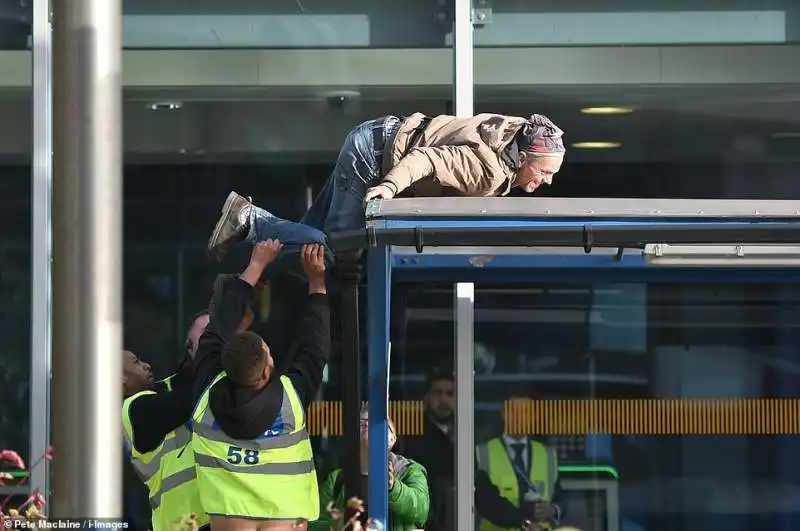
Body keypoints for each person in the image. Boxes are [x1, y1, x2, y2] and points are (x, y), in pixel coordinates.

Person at [205, 113, 566, 264]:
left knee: (307, 237)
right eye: (545, 170)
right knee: (336, 252)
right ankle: (249, 221)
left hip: (373, 139)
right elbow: (427, 159)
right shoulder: (485, 168)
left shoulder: (515, 134)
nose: (547, 180)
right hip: (373, 158)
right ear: (523, 159)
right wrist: (390, 187)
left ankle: (259, 256)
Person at [191, 241, 330, 531]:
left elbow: (216, 329)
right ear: (268, 371)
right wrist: (315, 280)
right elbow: (314, 347)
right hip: (285, 518)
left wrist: (256, 268)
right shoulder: (290, 400)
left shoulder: (206, 393)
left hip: (229, 520)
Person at [403, 370, 552, 531]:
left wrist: (521, 521)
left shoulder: (463, 440)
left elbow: (482, 492)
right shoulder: (412, 441)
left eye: (450, 393)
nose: (444, 399)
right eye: (437, 393)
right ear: (426, 399)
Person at [122, 348, 209, 531]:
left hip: (196, 519)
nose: (147, 365)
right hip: (183, 523)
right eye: (137, 362)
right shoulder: (137, 409)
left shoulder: (155, 399)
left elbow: (179, 381)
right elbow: (185, 399)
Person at [310, 410, 430, 531]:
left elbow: (421, 512)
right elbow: (315, 525)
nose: (367, 425)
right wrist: (338, 525)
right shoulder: (337, 479)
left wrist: (394, 489)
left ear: (392, 439)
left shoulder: (408, 470)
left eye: (375, 423)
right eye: (361, 423)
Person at [476, 394, 563, 531]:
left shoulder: (548, 455)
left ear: (534, 417)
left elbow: (561, 500)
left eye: (526, 412)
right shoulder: (481, 453)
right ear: (503, 414)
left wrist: (551, 510)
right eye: (514, 411)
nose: (520, 417)